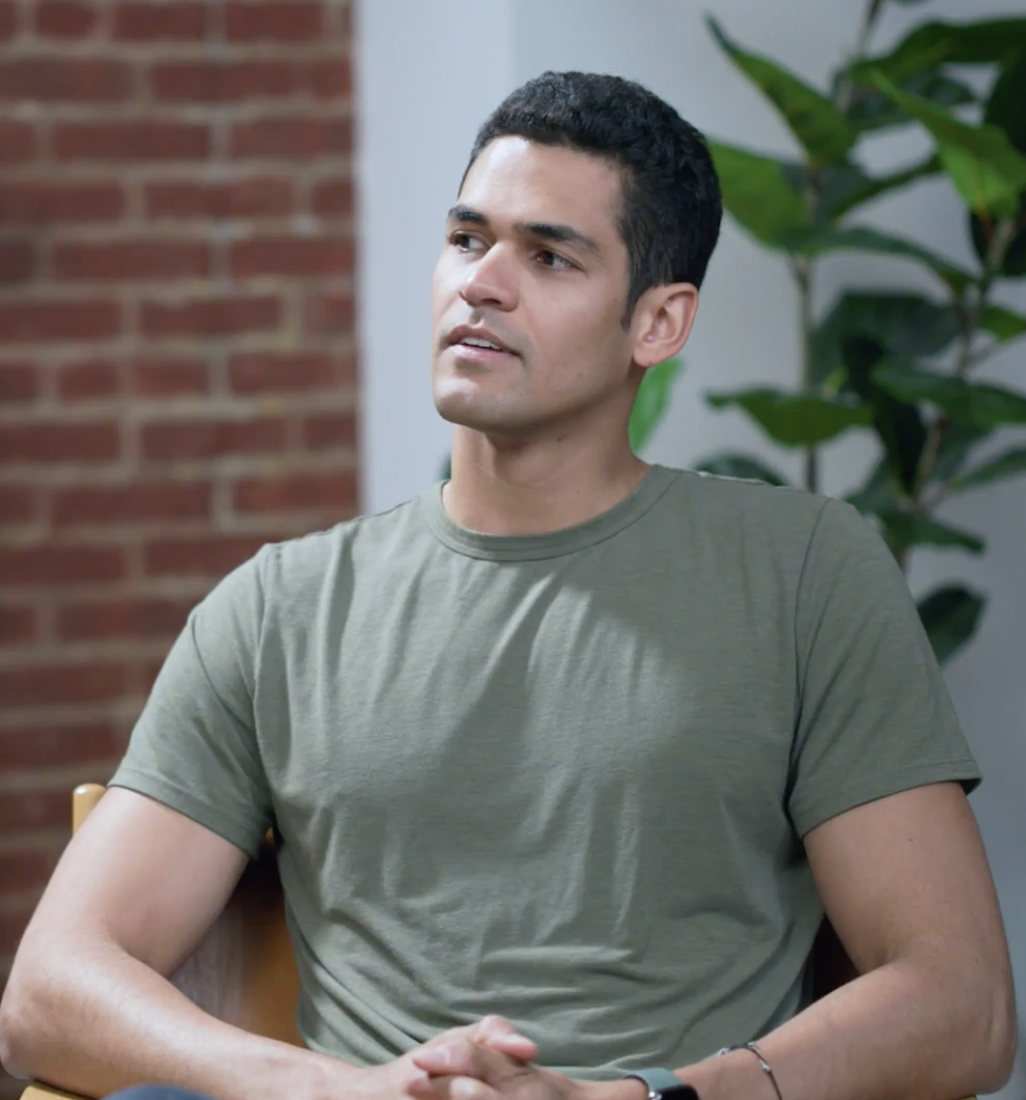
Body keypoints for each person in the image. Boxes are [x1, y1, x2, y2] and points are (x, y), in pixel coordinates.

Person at [0, 71, 1016, 1100]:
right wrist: (339, 1091)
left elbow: (963, 1002)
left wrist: (642, 1099)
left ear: (657, 324)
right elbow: (46, 989)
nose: (481, 282)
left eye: (548, 256)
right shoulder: (279, 609)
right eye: (465, 239)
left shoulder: (805, 573)